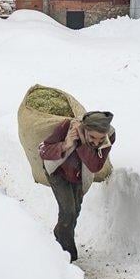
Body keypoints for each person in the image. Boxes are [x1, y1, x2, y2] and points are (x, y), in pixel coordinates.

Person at [38, 110, 115, 262]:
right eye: (92, 137)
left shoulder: (109, 137)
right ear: (85, 128)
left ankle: (59, 235)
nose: (96, 142)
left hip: (80, 176)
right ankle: (68, 257)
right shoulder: (66, 127)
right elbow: (43, 150)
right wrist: (66, 144)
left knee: (75, 212)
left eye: (100, 139)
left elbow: (94, 165)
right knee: (68, 211)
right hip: (58, 171)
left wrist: (83, 143)